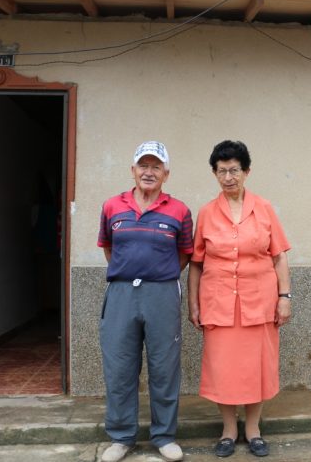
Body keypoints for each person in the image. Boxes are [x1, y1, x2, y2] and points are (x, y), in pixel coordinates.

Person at [188, 140, 292, 458]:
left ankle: (253, 429)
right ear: (214, 173)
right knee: (223, 369)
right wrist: (193, 304)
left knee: (256, 367)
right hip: (218, 303)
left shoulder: (264, 208)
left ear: (247, 172)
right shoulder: (207, 212)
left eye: (234, 170)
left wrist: (284, 297)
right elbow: (196, 263)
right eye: (221, 171)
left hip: (259, 302)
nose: (228, 177)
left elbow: (279, 256)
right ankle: (229, 430)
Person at [97, 141, 193, 462]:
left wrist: (158, 274)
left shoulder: (179, 211)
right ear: (133, 170)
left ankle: (164, 436)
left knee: (164, 367)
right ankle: (121, 437)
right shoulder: (112, 206)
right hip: (122, 293)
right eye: (143, 165)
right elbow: (108, 247)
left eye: (156, 166)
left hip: (162, 293)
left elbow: (184, 254)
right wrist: (130, 272)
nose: (148, 172)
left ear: (166, 173)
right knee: (120, 367)